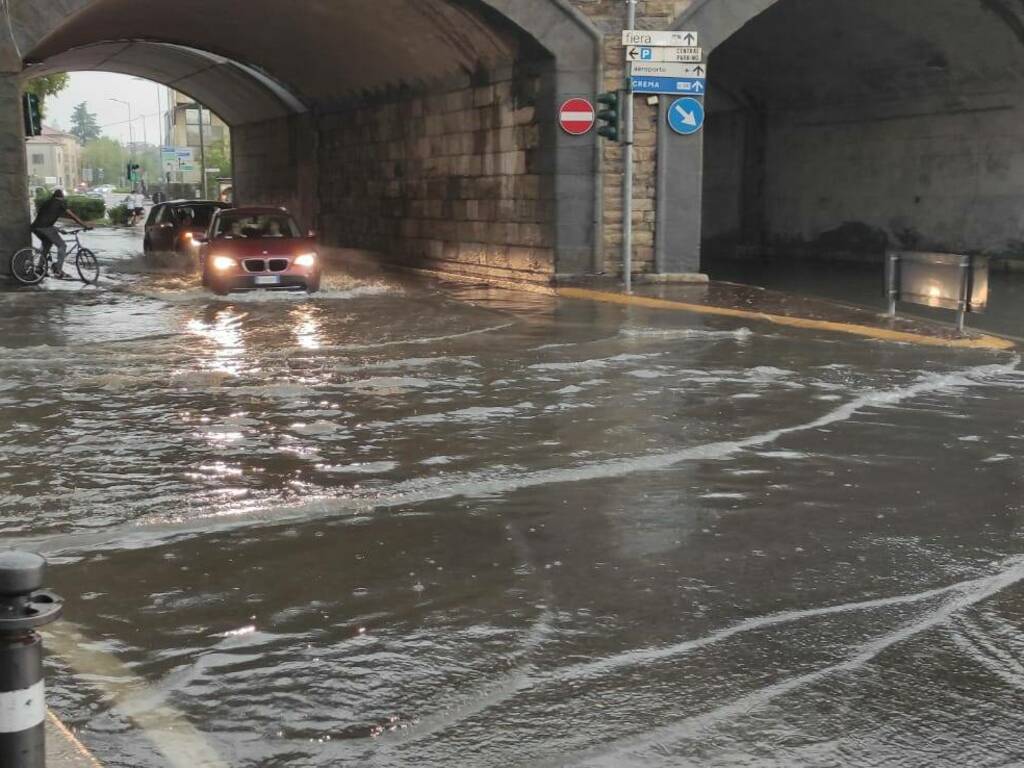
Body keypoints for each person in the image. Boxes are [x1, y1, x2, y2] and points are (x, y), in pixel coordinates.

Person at [31, 189, 91, 278]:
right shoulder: (60, 203)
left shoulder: (48, 202)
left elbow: (44, 217)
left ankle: (39, 268)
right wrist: (84, 225)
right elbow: (72, 215)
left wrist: (57, 229)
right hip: (45, 227)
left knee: (47, 244)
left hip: (35, 228)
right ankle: (58, 271)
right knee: (62, 246)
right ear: (61, 197)